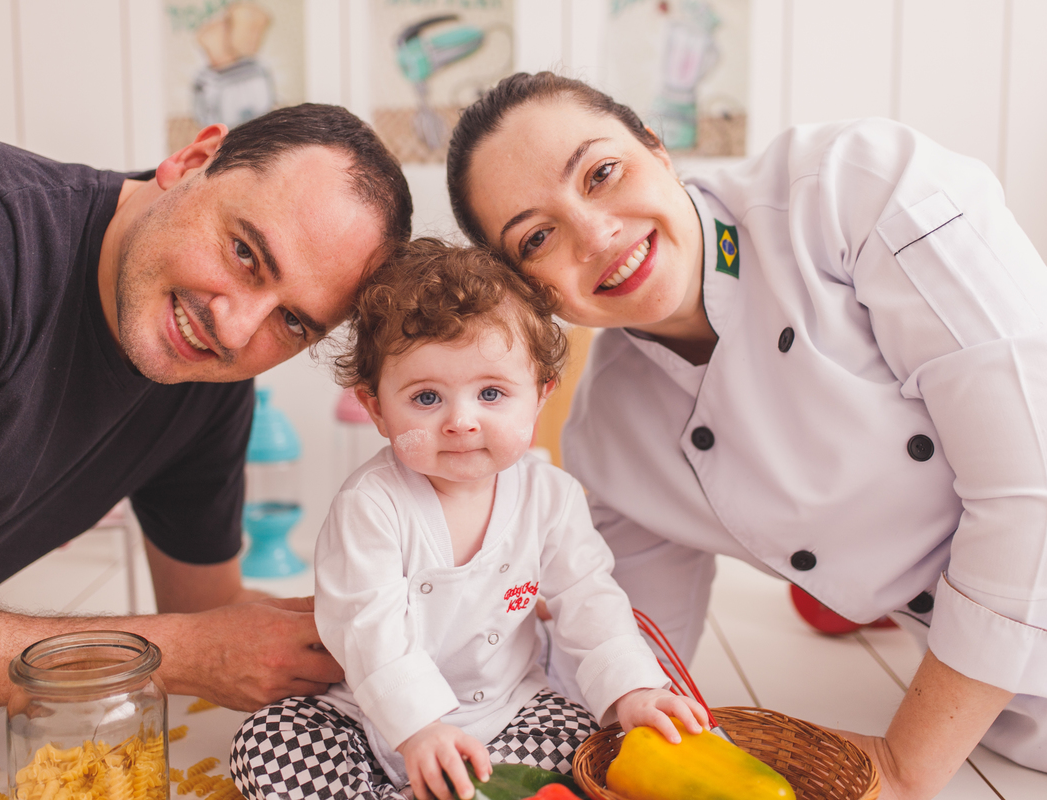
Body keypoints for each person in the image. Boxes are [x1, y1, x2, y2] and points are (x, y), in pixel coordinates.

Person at [443, 72, 1047, 798]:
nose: (596, 234)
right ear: (528, 288)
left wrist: (906, 765)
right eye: (537, 237)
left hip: (964, 709)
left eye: (602, 173)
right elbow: (629, 655)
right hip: (1017, 716)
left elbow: (1043, 478)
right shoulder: (614, 433)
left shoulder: (852, 189)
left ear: (657, 147)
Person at [0, 103, 412, 712]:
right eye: (244, 253)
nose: (234, 331)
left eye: (291, 322)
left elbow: (208, 613)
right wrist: (180, 654)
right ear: (192, 160)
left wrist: (387, 636)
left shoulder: (206, 387)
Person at [229, 239, 710, 800]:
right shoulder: (371, 504)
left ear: (540, 395)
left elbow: (589, 599)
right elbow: (366, 625)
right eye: (426, 398)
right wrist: (419, 727)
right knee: (264, 741)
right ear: (376, 408)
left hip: (505, 712)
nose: (461, 421)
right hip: (364, 715)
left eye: (491, 393)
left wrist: (633, 690)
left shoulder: (550, 496)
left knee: (579, 740)